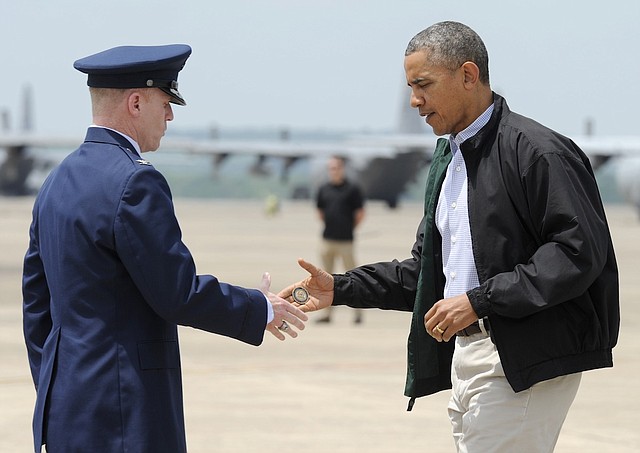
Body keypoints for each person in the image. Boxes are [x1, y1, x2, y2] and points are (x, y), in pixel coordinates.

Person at [280, 21, 619, 452]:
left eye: (423, 84)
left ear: (468, 75)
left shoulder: (538, 152)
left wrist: (479, 301)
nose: (414, 101)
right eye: (410, 86)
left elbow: (578, 252)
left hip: (524, 359)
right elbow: (425, 273)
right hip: (468, 356)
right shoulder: (448, 160)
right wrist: (340, 288)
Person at [22, 44, 308, 453]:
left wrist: (59, 386)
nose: (171, 116)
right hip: (125, 415)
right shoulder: (135, 182)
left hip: (66, 412)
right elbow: (177, 293)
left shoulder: (56, 181)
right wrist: (259, 307)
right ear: (136, 102)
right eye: (166, 102)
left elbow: (37, 306)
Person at [315, 155, 365, 324]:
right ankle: (326, 314)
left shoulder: (352, 189)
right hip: (327, 240)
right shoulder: (323, 189)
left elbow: (360, 214)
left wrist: (349, 228)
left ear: (342, 169)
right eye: (331, 168)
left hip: (346, 241)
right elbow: (320, 212)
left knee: (354, 278)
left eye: (336, 168)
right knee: (324, 278)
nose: (334, 171)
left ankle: (358, 313)